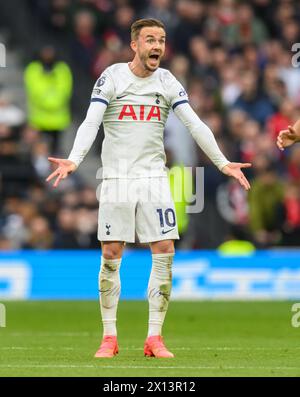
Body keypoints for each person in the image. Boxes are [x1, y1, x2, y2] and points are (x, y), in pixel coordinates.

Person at [46, 18, 251, 359]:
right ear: (135, 45)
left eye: (162, 40)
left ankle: (154, 338)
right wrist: (74, 159)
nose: (157, 46)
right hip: (117, 179)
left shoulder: (167, 80)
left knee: (165, 250)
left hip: (155, 178)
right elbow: (91, 121)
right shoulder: (112, 77)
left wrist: (222, 162)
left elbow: (195, 123)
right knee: (112, 254)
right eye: (150, 40)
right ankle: (109, 337)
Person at [24, 45, 73, 154]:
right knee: (39, 152)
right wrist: (52, 100)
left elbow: (65, 91)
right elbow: (35, 91)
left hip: (58, 121)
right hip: (39, 120)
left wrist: (49, 100)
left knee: (56, 152)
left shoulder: (62, 69)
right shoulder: (33, 69)